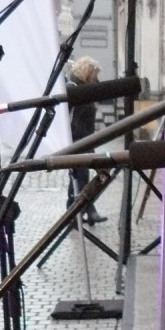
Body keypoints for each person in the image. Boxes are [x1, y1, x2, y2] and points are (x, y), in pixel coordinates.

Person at [65, 56, 107, 225]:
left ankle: (76, 212)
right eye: (94, 74)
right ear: (87, 73)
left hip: (86, 139)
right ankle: (82, 211)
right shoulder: (73, 88)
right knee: (80, 175)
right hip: (77, 139)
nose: (96, 79)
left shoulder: (87, 88)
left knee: (81, 176)